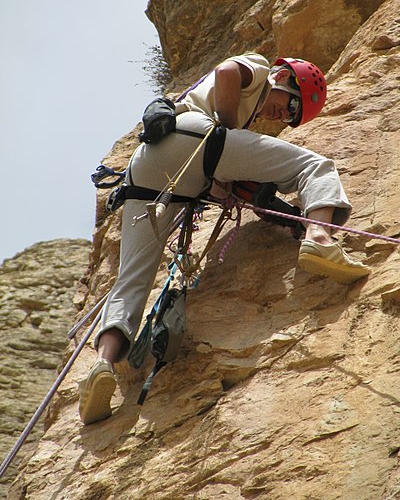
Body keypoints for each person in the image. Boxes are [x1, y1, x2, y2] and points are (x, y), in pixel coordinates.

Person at [78, 52, 370, 425]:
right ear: (284, 76)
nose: (284, 115)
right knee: (315, 165)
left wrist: (235, 185)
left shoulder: (218, 106)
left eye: (292, 117)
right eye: (290, 104)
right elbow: (228, 71)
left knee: (130, 281)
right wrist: (229, 133)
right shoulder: (261, 69)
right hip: (197, 138)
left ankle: (102, 365)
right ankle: (320, 236)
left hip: (146, 168)